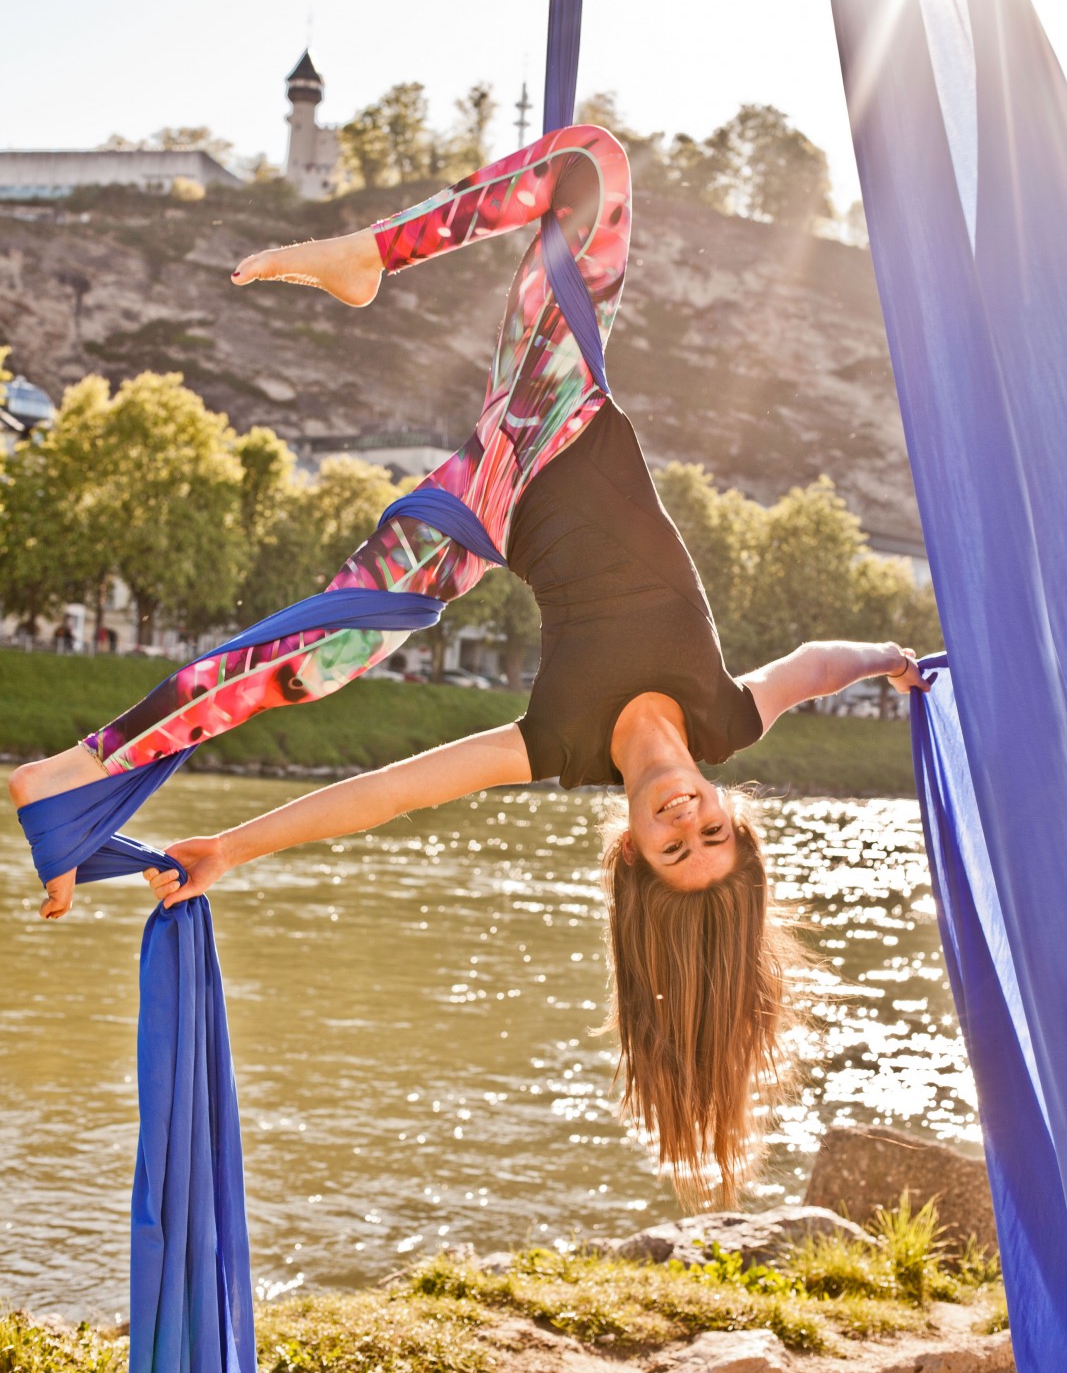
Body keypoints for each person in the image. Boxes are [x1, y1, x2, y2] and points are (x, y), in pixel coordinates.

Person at [9, 125, 929, 1201]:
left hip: (486, 502)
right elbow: (815, 665)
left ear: (631, 856)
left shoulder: (557, 747)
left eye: (673, 845)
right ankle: (372, 251)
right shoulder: (728, 718)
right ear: (731, 810)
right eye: (713, 829)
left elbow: (381, 793)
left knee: (315, 658)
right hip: (555, 402)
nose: (686, 814)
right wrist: (890, 657)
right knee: (590, 170)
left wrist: (232, 847)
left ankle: (73, 780)